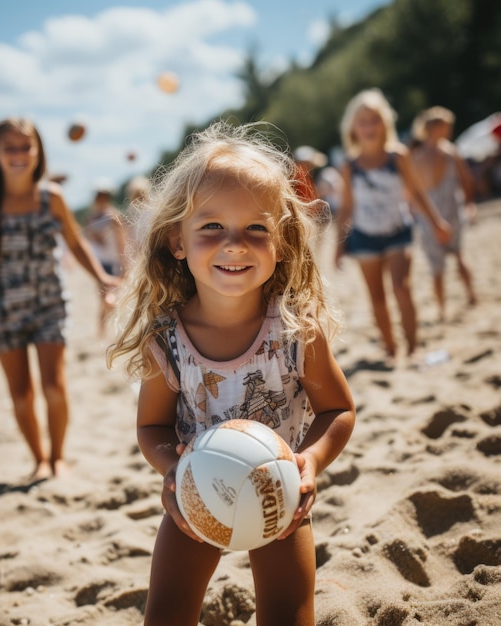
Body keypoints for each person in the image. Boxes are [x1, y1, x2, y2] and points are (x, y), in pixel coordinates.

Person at [108, 122, 356, 625]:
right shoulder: (168, 341)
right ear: (178, 240)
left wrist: (310, 461)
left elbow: (339, 409)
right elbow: (150, 427)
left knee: (289, 613)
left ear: (283, 241)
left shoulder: (295, 331)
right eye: (212, 228)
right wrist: (172, 469)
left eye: (256, 229)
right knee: (167, 614)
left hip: (278, 496)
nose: (235, 245)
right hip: (197, 494)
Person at [0, 118, 119, 480]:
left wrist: (101, 276)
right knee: (21, 395)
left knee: (53, 387)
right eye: (10, 148)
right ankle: (39, 459)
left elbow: (76, 243)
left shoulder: (52, 198)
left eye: (25, 146)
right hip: (4, 311)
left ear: (38, 152)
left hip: (50, 304)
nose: (18, 154)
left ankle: (59, 457)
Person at [335, 89, 452, 359]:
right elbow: (347, 208)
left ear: (384, 123)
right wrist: (338, 246)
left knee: (401, 287)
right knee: (376, 298)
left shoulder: (397, 156)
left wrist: (437, 222)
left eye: (374, 120)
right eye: (363, 121)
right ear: (353, 127)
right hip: (364, 236)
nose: (369, 127)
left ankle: (412, 347)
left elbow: (418, 192)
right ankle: (390, 347)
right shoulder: (349, 166)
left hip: (398, 230)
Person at [410, 106, 477, 320]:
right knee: (452, 258)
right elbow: (466, 181)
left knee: (444, 261)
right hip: (442, 211)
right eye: (446, 126)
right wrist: (468, 203)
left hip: (437, 213)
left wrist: (469, 203)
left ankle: (451, 305)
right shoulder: (447, 152)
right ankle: (461, 299)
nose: (449, 130)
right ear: (434, 127)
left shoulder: (420, 156)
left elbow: (412, 193)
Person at [83, 183, 127, 336]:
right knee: (103, 297)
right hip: (98, 262)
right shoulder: (91, 217)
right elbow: (89, 240)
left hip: (112, 260)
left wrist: (124, 262)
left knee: (107, 296)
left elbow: (121, 240)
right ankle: (102, 331)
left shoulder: (113, 216)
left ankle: (103, 329)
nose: (101, 199)